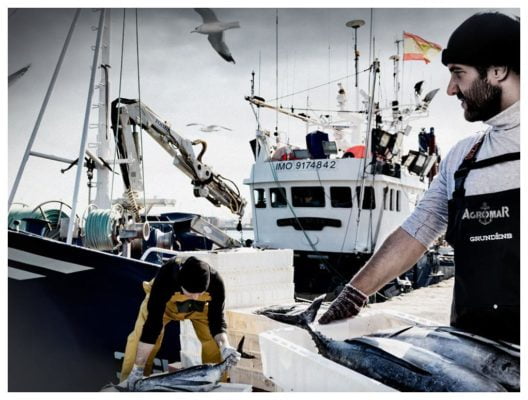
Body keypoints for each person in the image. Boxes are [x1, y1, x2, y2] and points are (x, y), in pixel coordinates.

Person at [319, 12, 520, 344]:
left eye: (458, 73)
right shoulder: (462, 157)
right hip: (470, 350)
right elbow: (418, 229)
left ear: (498, 71)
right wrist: (354, 295)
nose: (451, 88)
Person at [119, 256, 241, 388]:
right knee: (139, 340)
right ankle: (131, 382)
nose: (195, 297)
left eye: (200, 293)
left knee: (214, 345)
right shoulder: (166, 277)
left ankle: (217, 384)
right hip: (165, 308)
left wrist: (225, 346)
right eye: (190, 293)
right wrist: (138, 367)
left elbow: (217, 322)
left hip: (200, 310)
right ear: (180, 283)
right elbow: (152, 326)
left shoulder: (217, 282)